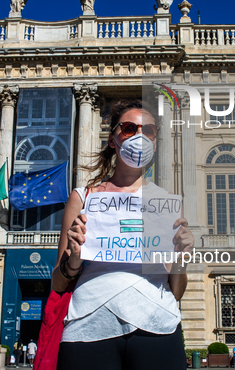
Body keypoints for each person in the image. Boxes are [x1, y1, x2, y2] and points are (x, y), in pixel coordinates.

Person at [53, 99, 194, 370]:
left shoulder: (167, 203)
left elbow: (176, 291)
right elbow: (58, 284)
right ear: (112, 139)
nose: (139, 137)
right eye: (129, 128)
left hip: (158, 326)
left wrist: (181, 258)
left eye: (149, 131)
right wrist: (74, 261)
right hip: (89, 326)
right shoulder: (82, 197)